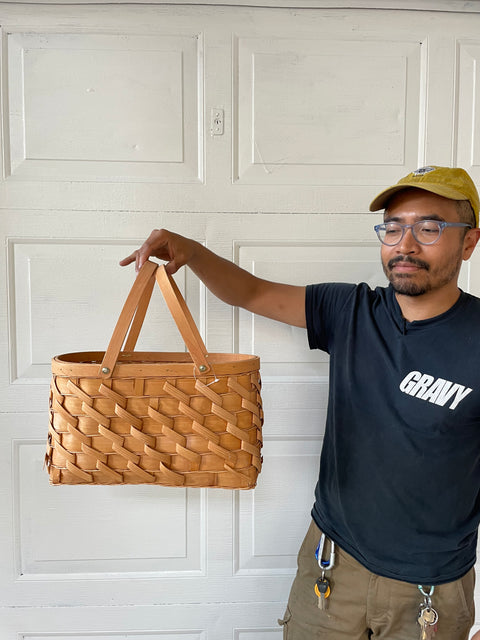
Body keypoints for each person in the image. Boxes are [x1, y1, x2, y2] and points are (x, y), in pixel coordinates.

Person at [120, 165, 480, 640]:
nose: (405, 244)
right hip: (330, 569)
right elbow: (251, 291)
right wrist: (191, 251)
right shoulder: (350, 312)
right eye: (393, 227)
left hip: (431, 592)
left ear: (469, 242)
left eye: (428, 228)